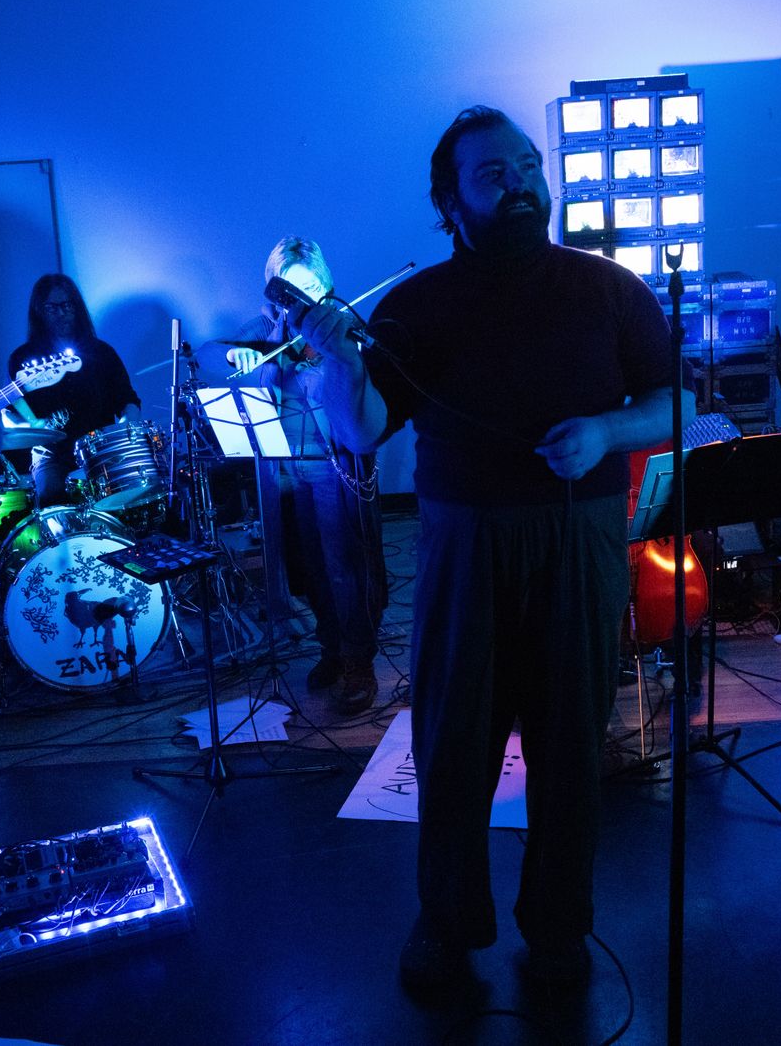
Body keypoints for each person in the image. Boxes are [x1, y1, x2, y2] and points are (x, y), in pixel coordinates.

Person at [292, 107, 686, 990]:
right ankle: (447, 921)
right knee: (454, 740)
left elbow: (678, 403)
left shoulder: (608, 289)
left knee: (571, 737)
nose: (520, 185)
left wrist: (606, 431)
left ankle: (558, 927)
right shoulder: (416, 303)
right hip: (463, 540)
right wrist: (340, 363)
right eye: (493, 174)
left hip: (579, 533)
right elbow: (360, 429)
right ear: (450, 201)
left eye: (528, 167)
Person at [221, 237, 387, 714]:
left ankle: (358, 660)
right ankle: (330, 646)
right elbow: (218, 351)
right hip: (288, 468)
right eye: (290, 287)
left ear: (325, 283)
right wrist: (237, 357)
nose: (303, 298)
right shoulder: (267, 326)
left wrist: (333, 354)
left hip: (335, 466)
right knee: (309, 566)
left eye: (311, 287)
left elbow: (358, 398)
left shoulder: (339, 324)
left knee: (345, 566)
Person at [7, 274, 141, 506]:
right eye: (51, 308)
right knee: (51, 496)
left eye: (67, 305)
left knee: (123, 499)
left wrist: (125, 430)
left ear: (77, 307)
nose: (61, 313)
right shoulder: (23, 358)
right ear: (39, 311)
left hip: (99, 448)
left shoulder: (102, 353)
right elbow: (14, 408)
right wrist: (31, 424)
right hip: (51, 453)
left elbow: (128, 399)